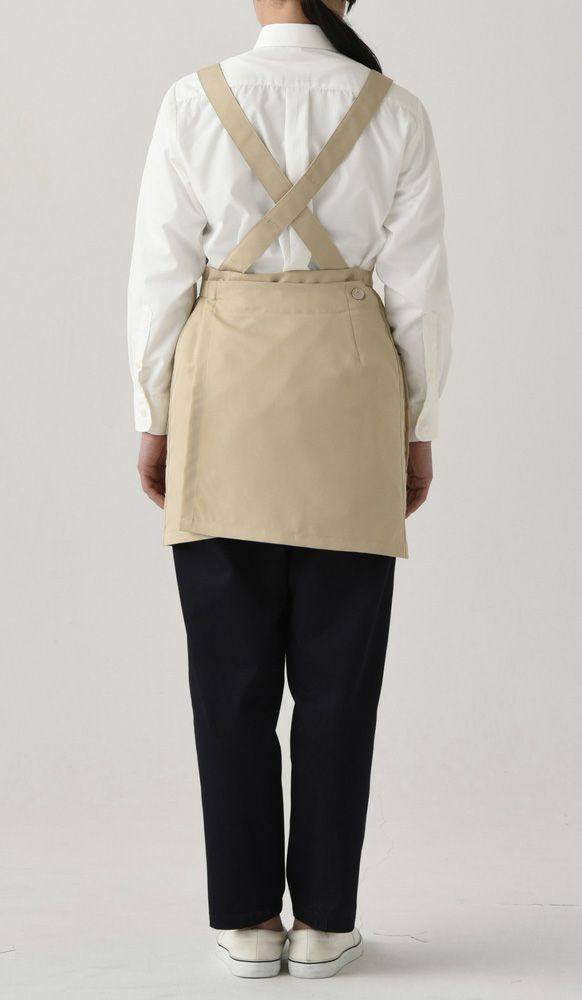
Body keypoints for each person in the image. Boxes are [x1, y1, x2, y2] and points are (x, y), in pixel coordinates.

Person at [126, 0, 453, 980]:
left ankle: (245, 921)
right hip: (351, 400)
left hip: (223, 396)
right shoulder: (395, 110)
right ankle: (323, 922)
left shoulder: (194, 101)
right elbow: (419, 292)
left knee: (228, 682)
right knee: (339, 684)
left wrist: (152, 412)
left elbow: (161, 274)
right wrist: (418, 428)